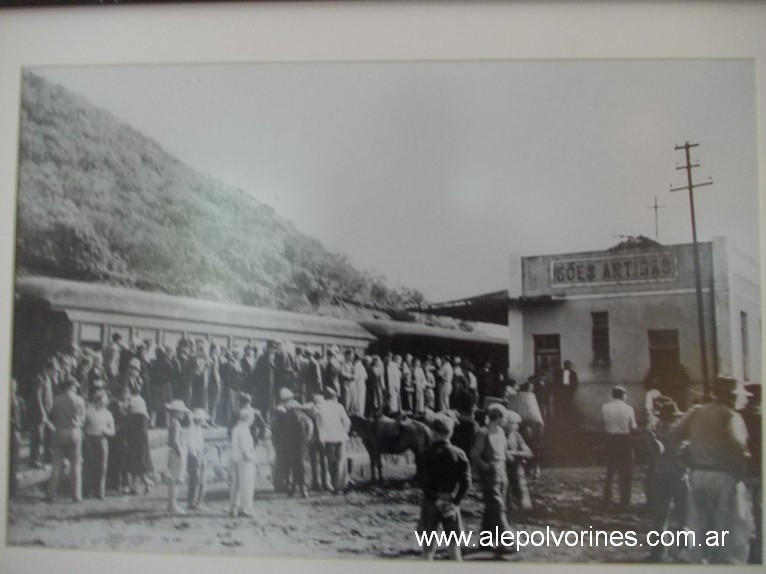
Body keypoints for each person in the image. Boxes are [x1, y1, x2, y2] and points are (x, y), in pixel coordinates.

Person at [670, 376, 753, 564]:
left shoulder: (697, 412)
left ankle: (696, 558)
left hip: (698, 473)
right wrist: (742, 464)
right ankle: (724, 562)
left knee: (698, 523)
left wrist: (683, 455)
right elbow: (738, 444)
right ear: (731, 397)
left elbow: (674, 433)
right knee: (726, 525)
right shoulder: (730, 415)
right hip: (724, 475)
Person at [418, 415, 472, 561]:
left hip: (431, 501)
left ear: (434, 433)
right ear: (450, 433)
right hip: (450, 501)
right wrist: (455, 503)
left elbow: (422, 482)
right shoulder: (459, 454)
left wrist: (436, 500)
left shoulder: (425, 454)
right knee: (454, 549)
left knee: (428, 549)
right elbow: (466, 483)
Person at [644, 396, 688, 562]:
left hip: (660, 475)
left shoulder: (656, 432)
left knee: (660, 516)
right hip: (679, 476)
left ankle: (658, 551)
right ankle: (684, 551)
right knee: (683, 515)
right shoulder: (680, 434)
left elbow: (651, 454)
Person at [471, 404, 515, 554]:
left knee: (492, 507)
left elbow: (504, 452)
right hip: (490, 474)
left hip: (502, 471)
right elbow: (475, 454)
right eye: (503, 417)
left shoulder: (501, 432)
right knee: (497, 506)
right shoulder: (483, 433)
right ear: (496, 417)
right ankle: (508, 540)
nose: (505, 420)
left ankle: (485, 541)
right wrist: (485, 467)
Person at [45, 377, 86, 503]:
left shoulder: (56, 400)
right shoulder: (79, 400)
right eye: (75, 386)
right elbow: (83, 418)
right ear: (72, 387)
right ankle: (76, 495)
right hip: (74, 431)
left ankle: (51, 494)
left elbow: (51, 415)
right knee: (75, 465)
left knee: (56, 464)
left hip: (59, 431)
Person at [601, 385, 637, 510]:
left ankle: (607, 501)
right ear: (623, 395)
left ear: (613, 395)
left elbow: (604, 423)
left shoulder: (605, 407)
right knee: (626, 472)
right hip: (624, 440)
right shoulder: (628, 408)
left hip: (610, 439)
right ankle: (625, 502)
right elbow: (633, 427)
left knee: (610, 471)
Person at [313, 387, 351, 493]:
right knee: (341, 462)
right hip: (340, 437)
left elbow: (318, 423)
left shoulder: (320, 407)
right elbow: (347, 422)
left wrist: (321, 437)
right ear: (334, 397)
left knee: (331, 463)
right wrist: (344, 432)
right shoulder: (339, 406)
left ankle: (334, 485)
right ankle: (340, 486)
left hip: (328, 439)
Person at [82, 389, 115, 500]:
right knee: (89, 465)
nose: (103, 403)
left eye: (104, 401)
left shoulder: (108, 413)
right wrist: (84, 438)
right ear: (96, 400)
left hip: (102, 439)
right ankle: (87, 490)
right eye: (101, 400)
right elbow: (82, 426)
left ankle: (100, 492)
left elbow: (112, 430)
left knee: (102, 466)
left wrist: (107, 431)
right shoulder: (89, 412)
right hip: (90, 439)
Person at [503, 409, 534, 512]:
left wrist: (513, 453)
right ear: (506, 423)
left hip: (516, 470)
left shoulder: (516, 436)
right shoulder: (498, 435)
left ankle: (522, 505)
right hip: (503, 469)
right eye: (514, 423)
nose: (517, 426)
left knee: (523, 499)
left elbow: (529, 453)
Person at [230, 407, 258, 517]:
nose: (252, 420)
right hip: (244, 459)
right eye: (252, 418)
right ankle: (245, 508)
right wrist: (251, 457)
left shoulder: (236, 428)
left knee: (236, 484)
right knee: (246, 484)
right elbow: (245, 447)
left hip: (236, 457)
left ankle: (233, 506)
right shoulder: (245, 430)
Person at [166, 399, 190, 515]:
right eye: (181, 412)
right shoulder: (175, 423)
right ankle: (173, 505)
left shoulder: (173, 422)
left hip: (173, 452)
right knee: (175, 480)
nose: (183, 414)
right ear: (176, 412)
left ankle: (171, 504)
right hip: (176, 452)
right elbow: (175, 441)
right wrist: (180, 453)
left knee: (173, 480)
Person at [186, 408, 209, 510]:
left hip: (200, 454)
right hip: (194, 456)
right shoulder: (191, 429)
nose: (203, 421)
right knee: (195, 480)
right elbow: (191, 445)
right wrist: (195, 456)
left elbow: (200, 443)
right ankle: (193, 502)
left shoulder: (199, 429)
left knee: (202, 480)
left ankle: (199, 501)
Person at [9, 379, 25, 497]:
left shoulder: (19, 400)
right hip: (9, 431)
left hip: (16, 432)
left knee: (14, 461)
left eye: (14, 386)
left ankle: (12, 490)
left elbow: (23, 415)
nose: (12, 388)